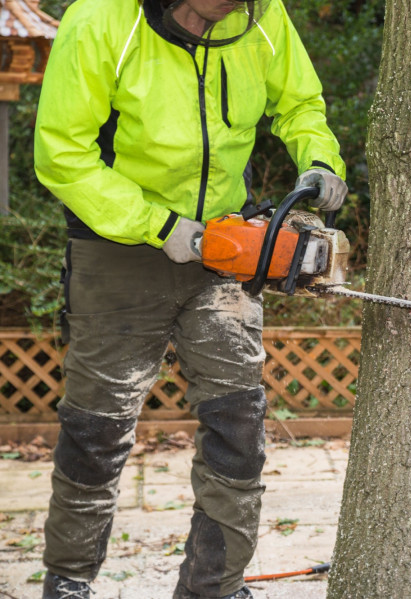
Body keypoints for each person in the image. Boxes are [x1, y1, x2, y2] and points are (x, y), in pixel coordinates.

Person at [33, 0, 347, 597]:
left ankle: (216, 587)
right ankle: (68, 580)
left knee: (237, 425)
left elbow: (299, 101)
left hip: (225, 247)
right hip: (117, 245)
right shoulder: (101, 20)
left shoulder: (260, 17)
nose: (232, 9)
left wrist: (319, 157)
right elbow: (63, 154)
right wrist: (160, 225)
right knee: (95, 430)